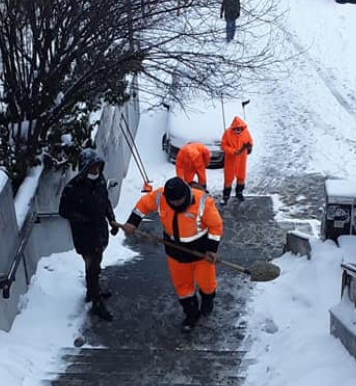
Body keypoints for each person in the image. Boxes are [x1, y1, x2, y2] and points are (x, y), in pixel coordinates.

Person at [123, 177, 223, 332]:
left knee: (207, 284)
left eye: (179, 200)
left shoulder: (203, 202)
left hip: (201, 253)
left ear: (186, 193)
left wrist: (212, 249)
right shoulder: (161, 196)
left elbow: (216, 226)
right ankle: (191, 314)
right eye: (172, 201)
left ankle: (207, 301)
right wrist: (132, 222)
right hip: (175, 252)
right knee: (183, 287)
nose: (175, 203)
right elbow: (143, 204)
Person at [58, 148, 118, 321]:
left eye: (98, 168)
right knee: (92, 266)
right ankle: (96, 300)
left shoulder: (99, 182)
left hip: (99, 231)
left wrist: (111, 220)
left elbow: (105, 202)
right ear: (84, 168)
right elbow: (63, 210)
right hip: (84, 235)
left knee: (95, 264)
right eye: (92, 168)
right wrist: (81, 219)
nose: (96, 171)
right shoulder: (73, 188)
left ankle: (93, 291)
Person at [221, 115, 253, 205]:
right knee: (228, 179)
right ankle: (225, 197)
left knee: (241, 177)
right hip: (231, 160)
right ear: (233, 128)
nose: (237, 131)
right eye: (236, 129)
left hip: (242, 160)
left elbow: (250, 141)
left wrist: (249, 147)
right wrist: (233, 151)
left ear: (242, 128)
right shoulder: (227, 133)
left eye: (239, 129)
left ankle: (239, 193)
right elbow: (223, 146)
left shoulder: (246, 132)